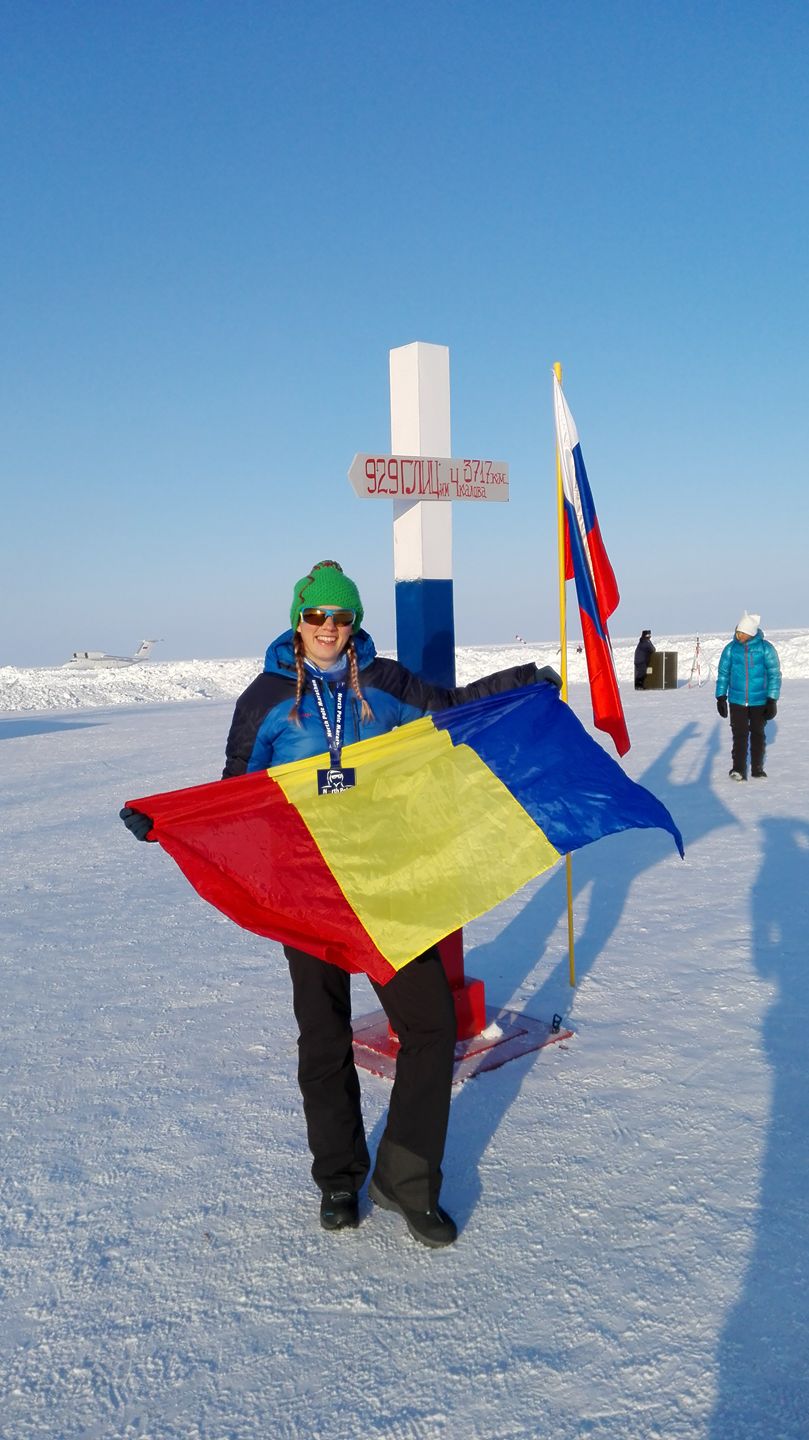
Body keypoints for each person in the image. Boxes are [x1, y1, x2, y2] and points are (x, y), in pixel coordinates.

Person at [121, 560, 561, 1248]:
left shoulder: (384, 683)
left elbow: (453, 711)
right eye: (315, 616)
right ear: (296, 621)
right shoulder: (265, 698)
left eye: (341, 616)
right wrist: (168, 823)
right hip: (306, 887)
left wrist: (521, 683)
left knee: (429, 1026)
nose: (328, 628)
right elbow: (234, 795)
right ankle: (337, 1178)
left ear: (355, 622)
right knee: (322, 1035)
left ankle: (406, 1179)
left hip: (387, 877)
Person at [715, 611, 781, 781]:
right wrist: (721, 696)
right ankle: (738, 769)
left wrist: (772, 699)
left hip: (759, 700)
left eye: (742, 633)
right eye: (738, 632)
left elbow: (774, 674)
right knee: (739, 734)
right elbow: (723, 673)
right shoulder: (731, 649)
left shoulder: (766, 649)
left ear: (751, 633)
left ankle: (757, 768)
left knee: (758, 733)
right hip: (736, 700)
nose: (739, 635)